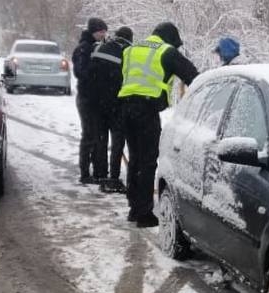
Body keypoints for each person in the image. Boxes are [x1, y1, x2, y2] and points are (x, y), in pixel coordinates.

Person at [117, 21, 198, 227]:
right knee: (148, 161)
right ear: (170, 39)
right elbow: (193, 76)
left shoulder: (130, 49)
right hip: (146, 111)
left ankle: (134, 208)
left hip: (125, 108)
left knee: (135, 158)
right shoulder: (166, 52)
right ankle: (144, 214)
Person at [88, 25, 133, 193]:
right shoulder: (129, 51)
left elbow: (90, 73)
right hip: (117, 103)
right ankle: (113, 178)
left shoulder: (99, 47)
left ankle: (100, 174)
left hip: (97, 102)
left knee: (100, 139)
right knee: (117, 141)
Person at [72, 16, 108, 183]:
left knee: (97, 135)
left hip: (98, 99)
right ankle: (85, 173)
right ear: (93, 31)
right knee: (89, 135)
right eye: (100, 31)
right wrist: (94, 66)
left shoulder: (100, 47)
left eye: (104, 31)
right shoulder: (83, 48)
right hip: (86, 99)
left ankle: (97, 171)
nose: (103, 34)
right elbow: (80, 72)